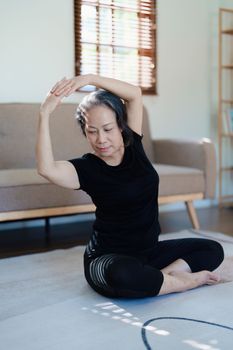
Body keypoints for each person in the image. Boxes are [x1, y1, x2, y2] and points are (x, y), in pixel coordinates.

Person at [36, 74, 231, 299]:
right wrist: (44, 113)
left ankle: (164, 277)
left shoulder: (134, 147)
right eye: (92, 131)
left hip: (149, 252)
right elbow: (46, 169)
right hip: (107, 258)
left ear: (121, 126)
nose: (101, 139)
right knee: (123, 275)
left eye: (108, 129)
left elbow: (134, 94)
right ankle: (181, 282)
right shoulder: (86, 168)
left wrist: (88, 78)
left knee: (212, 250)